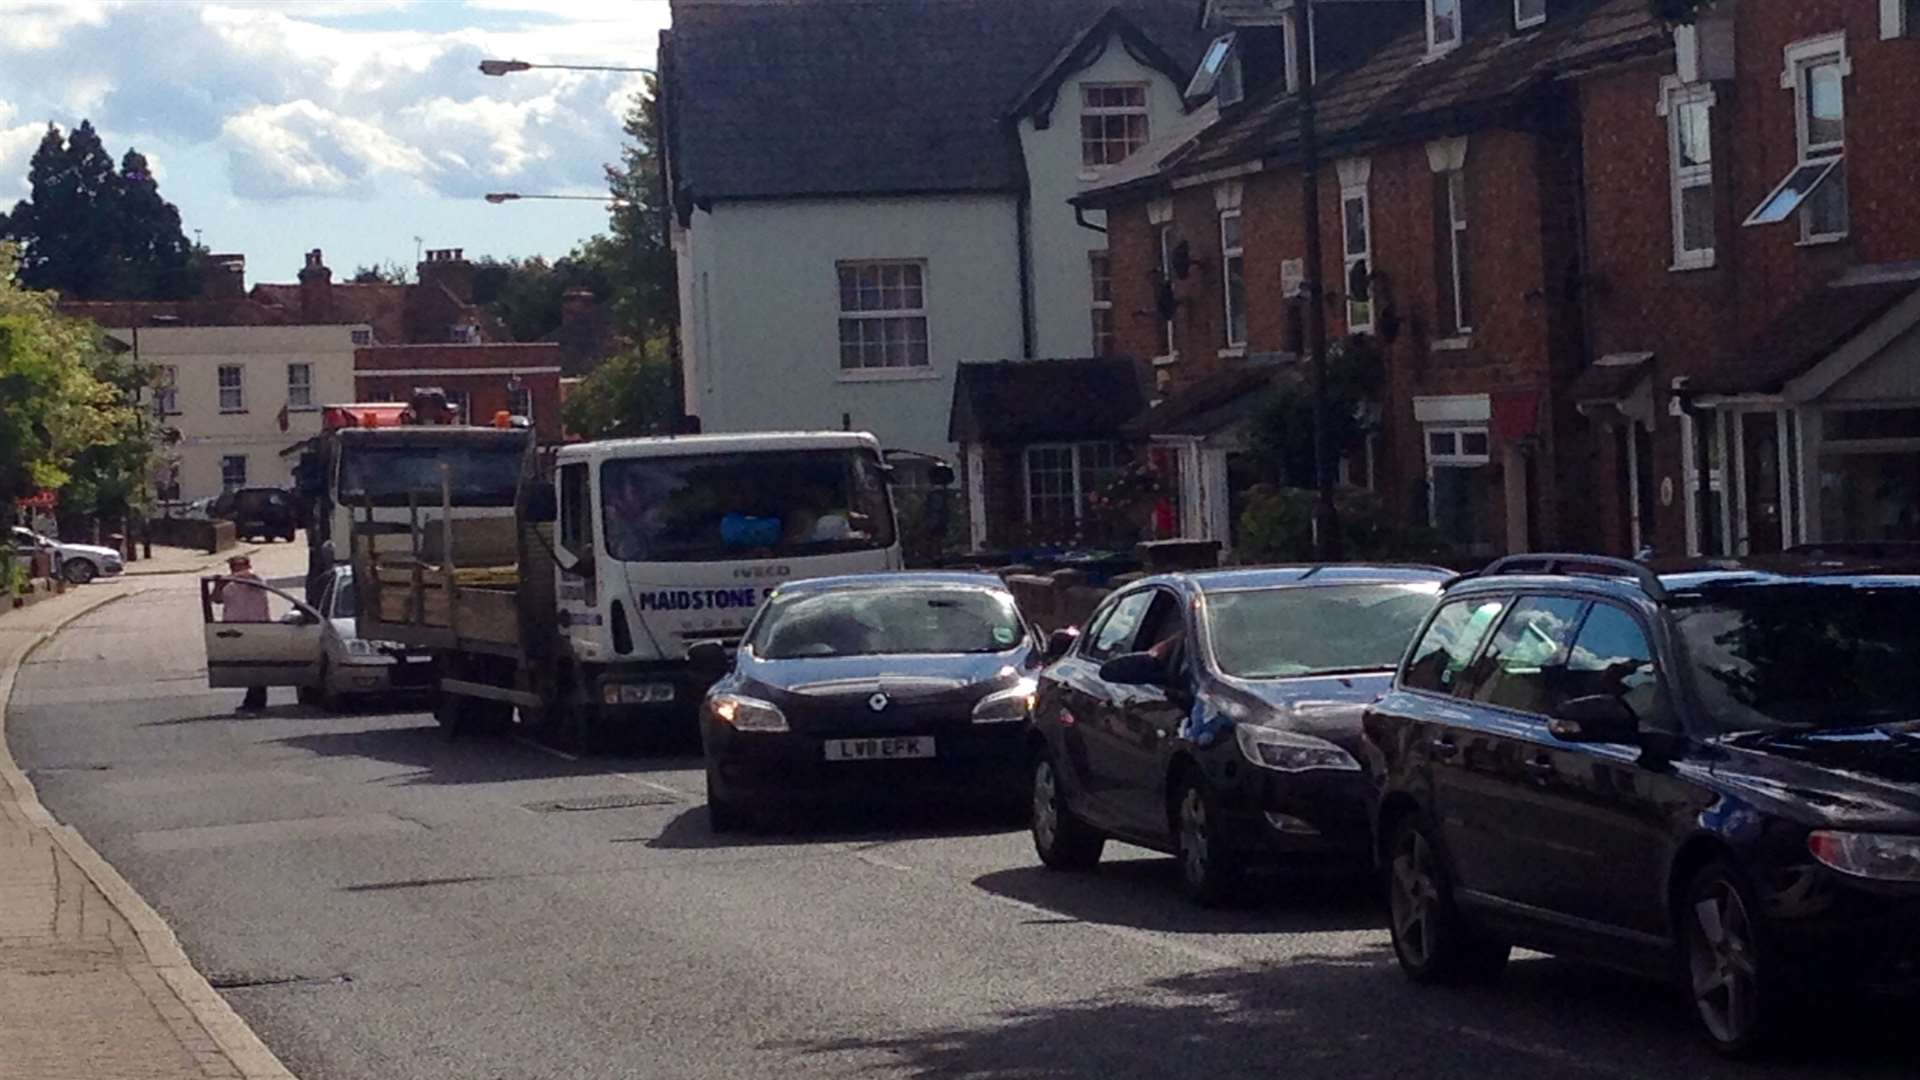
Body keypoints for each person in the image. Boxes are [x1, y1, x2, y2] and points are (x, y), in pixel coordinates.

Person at [211, 554, 272, 714]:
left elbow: (250, 579)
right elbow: (216, 599)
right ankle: (251, 698)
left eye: (237, 565)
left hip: (256, 627)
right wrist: (218, 585)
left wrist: (229, 577)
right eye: (232, 566)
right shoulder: (229, 585)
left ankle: (257, 699)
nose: (234, 569)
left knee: (256, 664)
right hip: (235, 628)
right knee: (243, 663)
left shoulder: (255, 579)